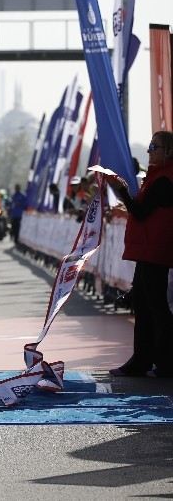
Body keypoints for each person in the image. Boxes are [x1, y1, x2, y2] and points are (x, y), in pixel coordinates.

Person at [105, 131, 173, 378]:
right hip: (150, 249)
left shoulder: (164, 180)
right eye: (150, 146)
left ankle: (161, 361)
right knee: (145, 304)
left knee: (154, 306)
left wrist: (122, 192)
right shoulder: (157, 177)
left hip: (155, 249)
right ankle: (146, 360)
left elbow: (141, 212)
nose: (149, 151)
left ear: (168, 151)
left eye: (155, 147)